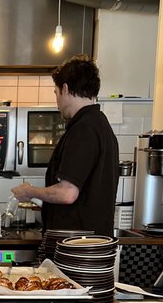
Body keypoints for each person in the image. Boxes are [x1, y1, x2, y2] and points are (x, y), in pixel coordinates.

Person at [11, 54, 119, 237]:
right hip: (91, 243)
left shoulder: (84, 129)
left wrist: (30, 191)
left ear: (65, 89)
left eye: (56, 93)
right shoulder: (100, 125)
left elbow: (67, 193)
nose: (57, 103)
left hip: (76, 245)